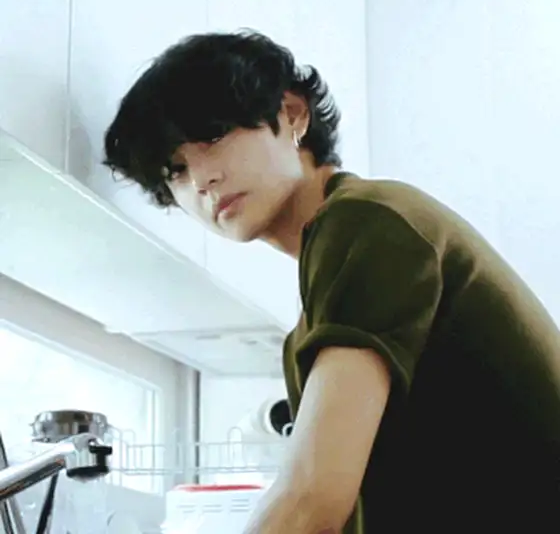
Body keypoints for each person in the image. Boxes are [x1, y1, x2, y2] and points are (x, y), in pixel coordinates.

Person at [103, 30, 560, 533]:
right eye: (175, 171)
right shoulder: (328, 282)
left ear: (292, 114)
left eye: (212, 136)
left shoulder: (365, 222)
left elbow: (311, 499)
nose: (201, 180)